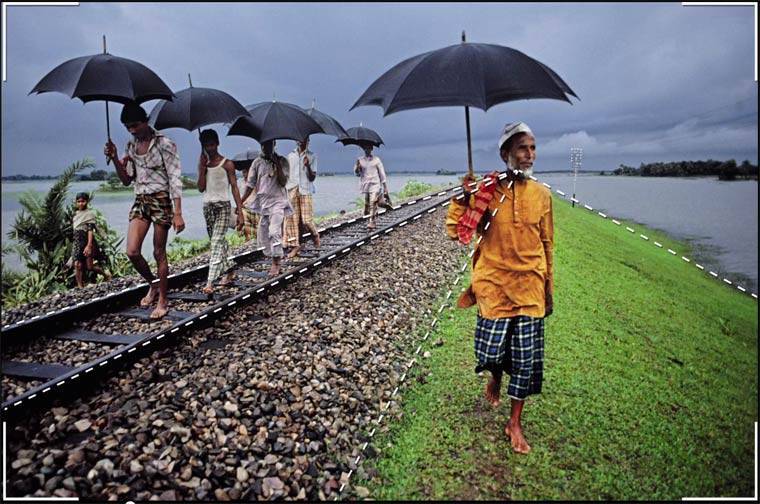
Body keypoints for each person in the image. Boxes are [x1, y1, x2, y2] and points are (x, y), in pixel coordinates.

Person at [445, 122, 554, 455]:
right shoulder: (487, 190)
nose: (530, 154)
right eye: (523, 148)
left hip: (530, 287)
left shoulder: (543, 193)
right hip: (493, 284)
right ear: (506, 153)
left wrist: (548, 287)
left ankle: (514, 422)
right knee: (490, 352)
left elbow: (547, 243)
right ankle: (494, 374)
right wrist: (465, 197)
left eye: (533, 147)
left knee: (525, 360)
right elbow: (454, 230)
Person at [104, 101, 185, 319]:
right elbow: (126, 180)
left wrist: (178, 212)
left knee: (159, 252)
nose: (132, 130)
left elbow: (175, 179)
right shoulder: (130, 146)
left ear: (146, 121)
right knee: (132, 251)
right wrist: (114, 159)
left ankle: (163, 301)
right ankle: (154, 284)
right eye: (128, 126)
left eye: (135, 125)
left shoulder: (164, 143)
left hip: (161, 199)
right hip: (140, 199)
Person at [197, 129, 245, 294]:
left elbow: (235, 188)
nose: (210, 148)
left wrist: (240, 212)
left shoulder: (227, 164)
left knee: (216, 241)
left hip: (223, 206)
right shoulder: (203, 163)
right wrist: (202, 168)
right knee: (218, 241)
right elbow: (201, 187)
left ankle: (210, 282)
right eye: (206, 145)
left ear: (217, 143)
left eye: (212, 144)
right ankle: (230, 270)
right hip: (207, 206)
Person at [240, 139, 292, 277]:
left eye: (269, 144)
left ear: (274, 144)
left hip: (278, 201)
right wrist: (241, 202)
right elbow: (250, 184)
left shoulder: (283, 161)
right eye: (263, 144)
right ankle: (275, 256)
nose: (266, 147)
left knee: (274, 231)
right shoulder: (257, 163)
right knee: (263, 235)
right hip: (264, 203)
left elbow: (284, 181)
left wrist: (277, 165)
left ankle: (276, 263)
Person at [284, 136, 321, 258]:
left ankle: (315, 234)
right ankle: (295, 246)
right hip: (292, 189)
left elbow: (312, 177)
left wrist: (308, 166)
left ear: (308, 142)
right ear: (296, 141)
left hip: (305, 189)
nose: (301, 142)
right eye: (299, 140)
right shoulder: (290, 156)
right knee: (292, 220)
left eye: (304, 140)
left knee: (306, 220)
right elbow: (286, 175)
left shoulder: (312, 156)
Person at [70, 192, 111, 287]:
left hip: (86, 241)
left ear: (87, 201)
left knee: (90, 267)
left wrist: (89, 245)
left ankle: (106, 275)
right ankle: (80, 286)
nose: (81, 203)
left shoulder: (89, 214)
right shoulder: (76, 214)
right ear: (76, 202)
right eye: (78, 201)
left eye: (83, 201)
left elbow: (90, 230)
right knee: (77, 264)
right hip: (77, 241)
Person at [354, 142, 389, 230]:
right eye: (365, 148)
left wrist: (385, 187)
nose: (367, 150)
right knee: (367, 205)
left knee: (372, 202)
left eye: (369, 148)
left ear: (371, 149)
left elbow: (382, 174)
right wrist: (357, 168)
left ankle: (372, 221)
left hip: (375, 184)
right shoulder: (360, 160)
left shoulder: (376, 160)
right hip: (366, 185)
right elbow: (357, 174)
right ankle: (373, 213)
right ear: (364, 149)